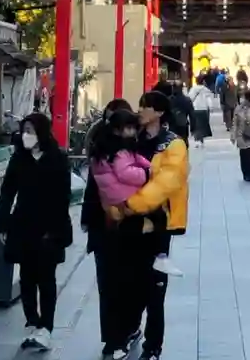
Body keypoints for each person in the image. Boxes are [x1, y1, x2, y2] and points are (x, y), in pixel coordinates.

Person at [105, 91, 192, 360]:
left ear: (160, 113)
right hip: (129, 224)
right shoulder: (133, 139)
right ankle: (129, 329)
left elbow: (165, 184)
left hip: (158, 225)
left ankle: (153, 346)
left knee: (155, 287)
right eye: (140, 105)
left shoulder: (173, 144)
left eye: (146, 106)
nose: (140, 110)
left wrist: (132, 205)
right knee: (129, 283)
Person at [0, 112, 73, 352]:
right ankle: (33, 321)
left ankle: (46, 327)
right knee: (27, 277)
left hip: (50, 228)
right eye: (24, 131)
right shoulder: (19, 159)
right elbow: (8, 192)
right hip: (23, 225)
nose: (26, 135)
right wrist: (2, 223)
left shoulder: (58, 159)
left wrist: (56, 229)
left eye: (30, 131)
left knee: (46, 279)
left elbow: (63, 197)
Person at [83, 107, 152, 360]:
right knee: (123, 285)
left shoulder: (104, 152)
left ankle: (116, 337)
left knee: (113, 287)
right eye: (127, 128)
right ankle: (118, 337)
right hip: (121, 228)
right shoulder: (119, 153)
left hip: (110, 229)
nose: (131, 132)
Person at [188, 79, 217, 143]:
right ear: (203, 82)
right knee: (203, 126)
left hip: (195, 108)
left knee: (196, 125)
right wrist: (211, 107)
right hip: (203, 109)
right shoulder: (205, 89)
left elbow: (189, 98)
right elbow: (208, 99)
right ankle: (202, 140)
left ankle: (196, 140)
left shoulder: (193, 89)